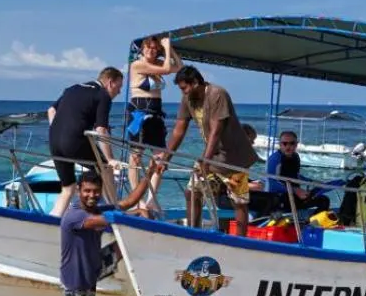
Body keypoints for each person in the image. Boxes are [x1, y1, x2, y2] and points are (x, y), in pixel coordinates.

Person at [57, 165, 162, 296]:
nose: (91, 195)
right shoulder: (74, 216)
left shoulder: (97, 208)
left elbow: (129, 201)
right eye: (87, 191)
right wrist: (138, 215)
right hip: (77, 281)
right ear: (79, 190)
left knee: (123, 243)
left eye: (96, 191)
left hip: (95, 266)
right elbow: (105, 221)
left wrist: (149, 173)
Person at [160, 65, 258, 231]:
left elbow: (216, 131)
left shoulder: (217, 94)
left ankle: (241, 241)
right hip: (213, 154)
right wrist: (166, 159)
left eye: (184, 88)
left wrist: (205, 159)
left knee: (238, 201)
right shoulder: (187, 99)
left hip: (234, 157)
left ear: (196, 82)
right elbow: (178, 130)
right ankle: (193, 233)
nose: (183, 92)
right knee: (192, 192)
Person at [47, 67, 124, 217]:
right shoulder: (103, 95)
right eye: (119, 86)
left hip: (54, 141)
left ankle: (52, 220)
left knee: (68, 187)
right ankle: (115, 213)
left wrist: (57, 129)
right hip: (74, 141)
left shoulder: (73, 89)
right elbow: (101, 129)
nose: (119, 92)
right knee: (106, 169)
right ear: (110, 82)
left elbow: (51, 110)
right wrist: (109, 159)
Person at [125, 34, 179, 212]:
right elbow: (166, 70)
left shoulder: (158, 64)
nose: (152, 50)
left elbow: (179, 68)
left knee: (160, 157)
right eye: (149, 47)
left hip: (156, 114)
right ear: (142, 48)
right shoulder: (138, 64)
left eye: (156, 48)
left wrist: (170, 49)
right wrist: (166, 50)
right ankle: (136, 196)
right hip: (139, 113)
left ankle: (151, 198)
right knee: (136, 155)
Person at [256, 130, 330, 217]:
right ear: (280, 144)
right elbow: (272, 182)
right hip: (278, 196)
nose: (288, 146)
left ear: (296, 144)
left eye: (292, 143)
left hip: (294, 195)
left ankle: (312, 225)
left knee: (324, 200)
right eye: (285, 143)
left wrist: (313, 182)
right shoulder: (275, 159)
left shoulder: (296, 157)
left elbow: (296, 176)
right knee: (279, 199)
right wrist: (295, 190)